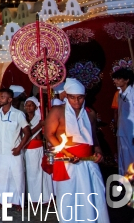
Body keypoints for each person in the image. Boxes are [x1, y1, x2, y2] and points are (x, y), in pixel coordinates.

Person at [45, 78, 109, 222]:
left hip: (89, 162)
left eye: (80, 98)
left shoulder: (90, 113)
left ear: (84, 97)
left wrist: (99, 152)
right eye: (72, 97)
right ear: (67, 96)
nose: (76, 101)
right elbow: (48, 134)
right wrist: (67, 153)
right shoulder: (57, 111)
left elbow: (94, 138)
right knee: (69, 198)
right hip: (68, 161)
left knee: (93, 195)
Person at [0, 88, 31, 209]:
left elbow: (27, 133)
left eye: (3, 97)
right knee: (1, 176)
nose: (0, 98)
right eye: (0, 96)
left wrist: (19, 148)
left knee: (17, 176)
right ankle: (0, 200)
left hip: (14, 151)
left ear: (10, 99)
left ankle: (19, 201)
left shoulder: (18, 114)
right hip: (1, 151)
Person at [23, 97, 52, 204]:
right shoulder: (24, 118)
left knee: (42, 174)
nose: (28, 107)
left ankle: (46, 198)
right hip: (27, 150)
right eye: (26, 104)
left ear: (36, 107)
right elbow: (26, 134)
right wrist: (39, 125)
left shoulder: (40, 118)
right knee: (31, 175)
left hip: (38, 149)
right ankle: (34, 199)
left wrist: (41, 125)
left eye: (31, 105)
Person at [111, 68, 134, 176]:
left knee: (131, 157)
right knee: (123, 157)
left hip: (131, 132)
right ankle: (125, 182)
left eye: (118, 79)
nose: (115, 80)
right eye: (115, 78)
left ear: (127, 80)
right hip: (122, 131)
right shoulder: (119, 94)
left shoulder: (133, 92)